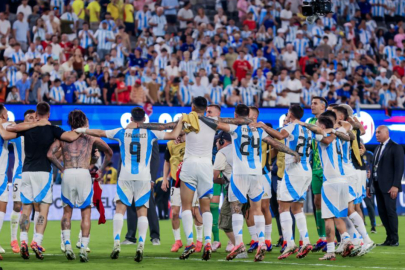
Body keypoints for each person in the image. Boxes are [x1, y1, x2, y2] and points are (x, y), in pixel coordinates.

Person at [74, 107, 183, 262]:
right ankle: (140, 245)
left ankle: (117, 243)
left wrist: (80, 130)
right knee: (142, 211)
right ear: (144, 119)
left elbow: (99, 132)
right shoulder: (151, 133)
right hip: (144, 177)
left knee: (120, 210)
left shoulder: (121, 132)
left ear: (131, 119)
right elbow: (173, 134)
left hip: (125, 177)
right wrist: (181, 121)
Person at [200, 104, 300, 262]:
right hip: (256, 174)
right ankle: (261, 242)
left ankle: (238, 243)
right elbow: (275, 143)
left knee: (236, 208)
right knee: (257, 209)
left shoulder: (235, 128)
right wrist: (292, 152)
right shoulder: (258, 130)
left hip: (240, 173)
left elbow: (215, 123)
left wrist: (199, 117)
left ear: (235, 114)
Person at [0, 102, 80, 260]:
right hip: (43, 172)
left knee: (26, 209)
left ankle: (23, 241)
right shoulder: (52, 129)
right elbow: (70, 137)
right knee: (42, 210)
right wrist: (83, 129)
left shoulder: (27, 128)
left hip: (26, 173)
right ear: (48, 115)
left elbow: (7, 133)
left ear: (36, 114)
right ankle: (36, 241)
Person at [47, 110, 113, 262]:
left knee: (67, 213)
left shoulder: (63, 137)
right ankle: (83, 248)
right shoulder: (90, 137)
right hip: (84, 174)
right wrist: (101, 169)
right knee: (86, 213)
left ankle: (68, 245)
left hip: (68, 173)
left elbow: (50, 154)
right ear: (84, 122)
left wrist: (61, 167)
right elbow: (109, 152)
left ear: (70, 122)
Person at [253, 105, 314, 260]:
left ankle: (289, 243)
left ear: (290, 114)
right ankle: (305, 240)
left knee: (283, 207)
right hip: (306, 169)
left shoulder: (292, 126)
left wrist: (263, 127)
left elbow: (280, 136)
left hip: (293, 169)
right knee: (297, 208)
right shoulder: (306, 129)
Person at [300, 115, 354, 261]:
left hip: (331, 182)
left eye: (317, 124)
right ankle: (347, 240)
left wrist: (303, 124)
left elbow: (326, 138)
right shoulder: (339, 133)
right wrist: (335, 129)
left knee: (328, 217)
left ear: (322, 126)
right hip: (343, 181)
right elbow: (348, 125)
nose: (315, 125)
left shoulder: (322, 135)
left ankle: (330, 251)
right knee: (337, 215)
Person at [162, 132, 203, 252]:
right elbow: (167, 161)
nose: (179, 137)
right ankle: (178, 241)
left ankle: (199, 240)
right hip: (176, 182)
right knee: (174, 212)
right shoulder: (170, 144)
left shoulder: (193, 144)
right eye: (178, 135)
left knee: (195, 211)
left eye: (182, 135)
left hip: (191, 182)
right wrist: (165, 178)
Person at [369, 125, 404, 247]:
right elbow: (374, 168)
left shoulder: (396, 147)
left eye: (379, 132)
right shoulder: (377, 148)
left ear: (386, 133)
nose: (376, 134)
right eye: (376, 133)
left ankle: (394, 239)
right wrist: (370, 186)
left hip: (389, 186)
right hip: (378, 185)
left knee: (390, 212)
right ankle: (389, 238)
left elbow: (399, 168)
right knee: (382, 212)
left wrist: (395, 185)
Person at [9, 109, 36, 254]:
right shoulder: (17, 135)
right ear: (24, 121)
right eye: (28, 118)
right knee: (17, 206)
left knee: (30, 208)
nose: (31, 119)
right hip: (19, 175)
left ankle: (29, 241)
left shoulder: (39, 135)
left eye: (33, 117)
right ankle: (14, 239)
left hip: (34, 174)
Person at [308, 96, 328, 251]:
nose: (311, 105)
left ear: (323, 106)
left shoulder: (329, 120)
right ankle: (322, 237)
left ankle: (342, 238)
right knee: (317, 203)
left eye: (315, 103)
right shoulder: (309, 121)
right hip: (315, 168)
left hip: (329, 168)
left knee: (333, 204)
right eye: (311, 103)